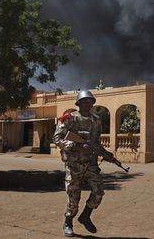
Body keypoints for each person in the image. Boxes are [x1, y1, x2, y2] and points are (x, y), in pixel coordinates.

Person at [53, 90, 104, 237]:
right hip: (74, 164)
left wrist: (102, 152)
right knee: (74, 196)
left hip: (91, 164)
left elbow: (96, 141)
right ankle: (68, 222)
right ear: (79, 103)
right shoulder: (70, 118)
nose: (88, 103)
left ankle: (85, 216)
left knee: (99, 190)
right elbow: (57, 138)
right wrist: (76, 147)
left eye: (90, 101)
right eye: (85, 101)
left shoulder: (96, 120)